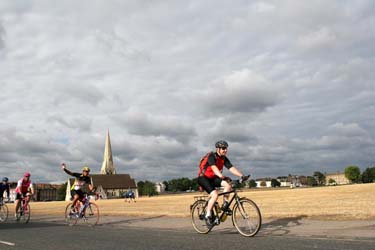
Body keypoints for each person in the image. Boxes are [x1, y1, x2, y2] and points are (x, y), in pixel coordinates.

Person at [197, 140, 249, 226]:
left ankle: (225, 204)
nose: (225, 150)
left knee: (227, 185)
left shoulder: (224, 158)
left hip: (213, 178)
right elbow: (214, 168)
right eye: (223, 148)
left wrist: (241, 176)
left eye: (226, 148)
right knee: (215, 195)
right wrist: (221, 176)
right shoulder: (211, 156)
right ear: (218, 149)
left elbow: (231, 168)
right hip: (203, 178)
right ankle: (208, 214)